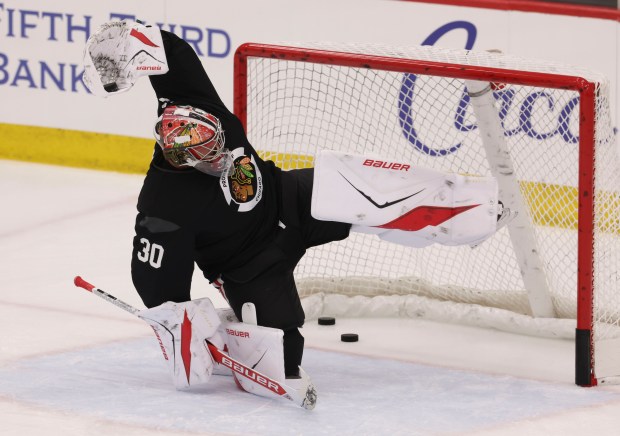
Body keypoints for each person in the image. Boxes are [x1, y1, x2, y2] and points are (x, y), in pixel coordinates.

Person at [83, 20, 512, 398]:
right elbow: (154, 282)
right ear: (182, 159)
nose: (218, 156)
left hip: (289, 198)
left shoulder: (196, 103)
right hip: (250, 265)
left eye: (217, 143)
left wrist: (121, 45)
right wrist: (184, 326)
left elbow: (168, 49)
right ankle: (242, 333)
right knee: (277, 364)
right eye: (206, 155)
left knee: (366, 183)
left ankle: (473, 207)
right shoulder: (163, 206)